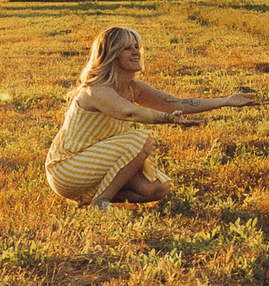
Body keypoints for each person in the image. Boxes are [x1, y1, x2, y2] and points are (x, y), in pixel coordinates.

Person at [43, 24, 257, 207]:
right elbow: (129, 112)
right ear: (111, 55)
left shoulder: (133, 87)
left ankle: (88, 198)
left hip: (97, 163)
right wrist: (169, 119)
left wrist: (226, 101)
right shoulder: (96, 89)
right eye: (127, 48)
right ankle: (101, 202)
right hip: (67, 168)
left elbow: (176, 103)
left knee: (156, 189)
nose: (136, 52)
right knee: (140, 139)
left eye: (137, 46)